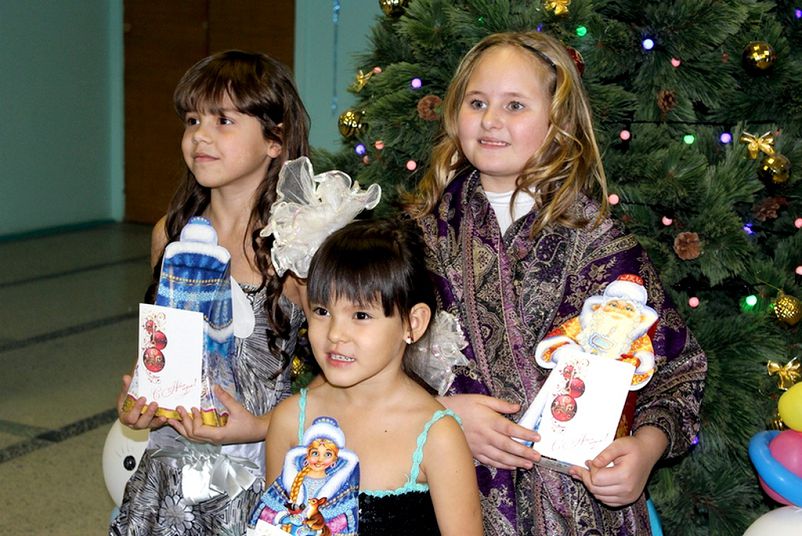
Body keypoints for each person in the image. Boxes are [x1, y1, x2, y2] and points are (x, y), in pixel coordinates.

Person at [406, 31, 707, 535]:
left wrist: (645, 449)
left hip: (582, 507)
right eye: (476, 102)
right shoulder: (416, 238)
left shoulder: (600, 243)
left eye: (515, 105)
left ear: (558, 123)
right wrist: (436, 414)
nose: (491, 119)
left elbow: (678, 369)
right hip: (452, 496)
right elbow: (363, 359)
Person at [111, 50, 310, 535]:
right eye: (193, 120)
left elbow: (346, 379)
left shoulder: (297, 246)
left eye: (223, 120)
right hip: (169, 482)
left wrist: (260, 427)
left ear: (275, 139)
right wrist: (140, 398)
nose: (200, 135)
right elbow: (163, 346)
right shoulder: (170, 235)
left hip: (258, 475)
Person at [263, 218, 483, 535]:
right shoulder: (290, 420)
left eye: (361, 315)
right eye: (322, 311)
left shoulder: (437, 435)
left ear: (413, 323)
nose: (335, 334)